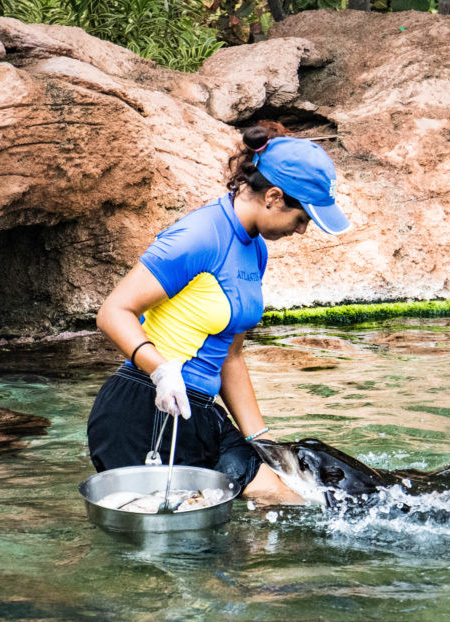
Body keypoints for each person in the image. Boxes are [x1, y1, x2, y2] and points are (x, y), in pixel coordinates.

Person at [87, 124, 350, 504]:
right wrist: (160, 370)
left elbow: (232, 355)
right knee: (190, 554)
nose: (303, 229)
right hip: (144, 411)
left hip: (203, 414)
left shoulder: (255, 250)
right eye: (302, 217)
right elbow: (113, 311)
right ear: (274, 197)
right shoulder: (199, 236)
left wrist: (265, 445)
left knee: (292, 502)